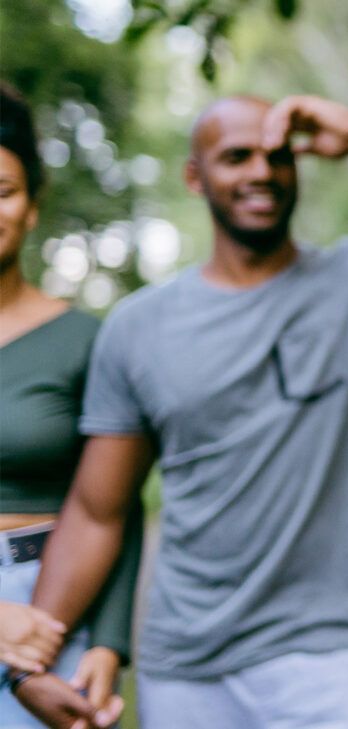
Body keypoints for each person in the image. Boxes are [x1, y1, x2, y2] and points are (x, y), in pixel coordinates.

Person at [14, 93, 348, 728]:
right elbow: (98, 511)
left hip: (340, 658)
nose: (262, 171)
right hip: (188, 665)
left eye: (279, 156)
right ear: (194, 177)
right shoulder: (138, 328)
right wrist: (32, 663)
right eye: (237, 157)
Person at [0, 82, 135, 729]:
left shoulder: (85, 341)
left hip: (49, 611)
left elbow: (112, 502)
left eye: (3, 191)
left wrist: (108, 641)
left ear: (32, 206)